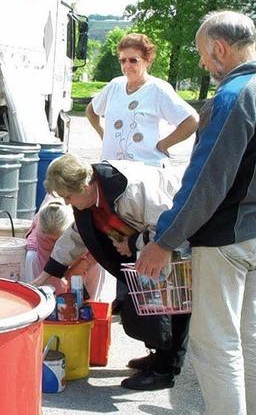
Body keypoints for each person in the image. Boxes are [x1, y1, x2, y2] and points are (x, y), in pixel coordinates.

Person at [136, 11, 256, 414]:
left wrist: (165, 239)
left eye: (204, 55)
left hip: (226, 239)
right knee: (251, 339)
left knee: (215, 345)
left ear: (219, 49)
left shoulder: (232, 97)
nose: (203, 63)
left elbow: (206, 180)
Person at [32, 153, 190, 391]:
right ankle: (159, 356)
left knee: (170, 304)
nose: (66, 203)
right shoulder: (90, 194)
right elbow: (77, 235)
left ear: (85, 187)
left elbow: (170, 223)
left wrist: (133, 242)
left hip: (172, 241)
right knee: (146, 305)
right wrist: (46, 275)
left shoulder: (131, 191)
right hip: (146, 243)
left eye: (68, 197)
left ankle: (164, 370)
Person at [86, 33, 199, 167]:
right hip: (111, 169)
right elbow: (91, 110)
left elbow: (191, 121)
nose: (127, 65)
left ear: (147, 61)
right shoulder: (114, 86)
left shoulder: (157, 89)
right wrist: (102, 133)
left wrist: (163, 145)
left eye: (133, 60)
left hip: (145, 172)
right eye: (123, 60)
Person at [25, 200, 103, 299]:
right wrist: (61, 292)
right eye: (53, 239)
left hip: (85, 252)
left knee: (98, 265)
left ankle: (93, 301)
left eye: (60, 238)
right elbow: (48, 265)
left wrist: (83, 264)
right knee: (32, 256)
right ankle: (45, 298)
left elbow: (97, 249)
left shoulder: (82, 221)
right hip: (49, 255)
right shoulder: (43, 233)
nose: (57, 243)